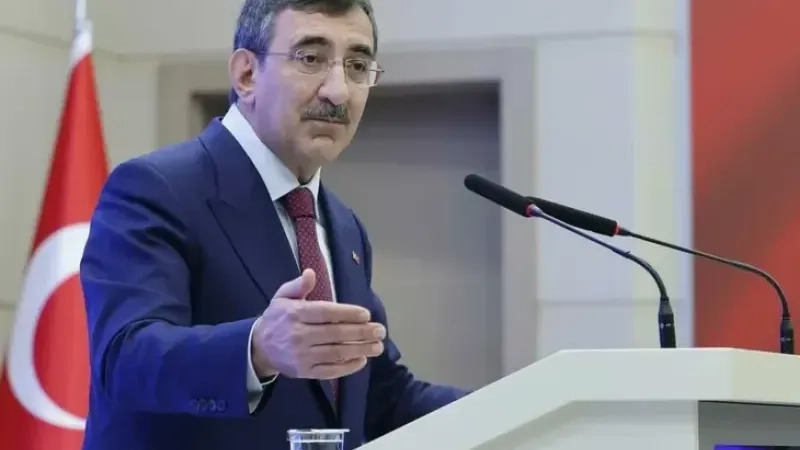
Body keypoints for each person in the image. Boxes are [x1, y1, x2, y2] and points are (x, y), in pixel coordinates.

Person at [78, 0, 469, 449]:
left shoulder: (344, 227)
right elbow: (125, 359)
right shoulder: (156, 188)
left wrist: (524, 400)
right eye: (311, 58)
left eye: (358, 66)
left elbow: (382, 398)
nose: (338, 92)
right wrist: (256, 348)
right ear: (247, 74)